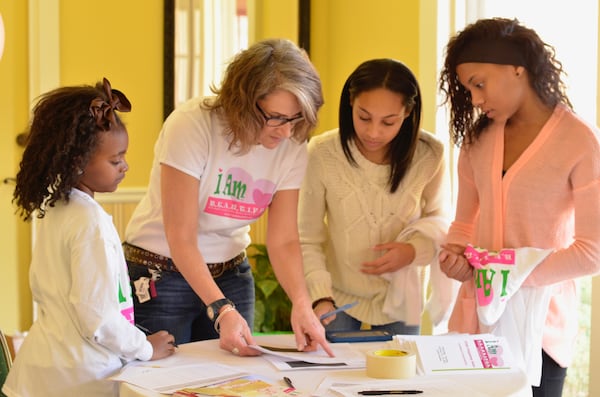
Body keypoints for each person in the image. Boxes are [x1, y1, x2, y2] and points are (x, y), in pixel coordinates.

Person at [123, 38, 333, 357]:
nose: (286, 132)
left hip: (232, 272)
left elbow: (285, 240)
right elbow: (180, 234)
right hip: (160, 275)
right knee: (164, 379)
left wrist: (302, 304)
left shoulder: (291, 145)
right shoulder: (193, 126)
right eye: (275, 117)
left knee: (233, 378)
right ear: (243, 102)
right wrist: (221, 308)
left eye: (295, 119)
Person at [438, 17, 600, 397]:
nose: (475, 99)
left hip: (540, 331)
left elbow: (593, 251)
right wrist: (456, 258)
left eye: (479, 84)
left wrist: (504, 276)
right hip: (474, 326)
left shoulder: (579, 142)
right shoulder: (477, 141)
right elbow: (463, 226)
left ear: (517, 68)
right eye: (467, 89)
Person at [3, 78, 176, 397]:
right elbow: (96, 316)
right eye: (115, 160)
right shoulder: (88, 222)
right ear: (76, 162)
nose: (125, 166)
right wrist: (145, 347)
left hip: (47, 369)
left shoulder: (58, 207)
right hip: (77, 380)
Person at [299, 58, 453, 336]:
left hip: (402, 297)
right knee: (333, 377)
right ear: (350, 103)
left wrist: (413, 252)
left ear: (407, 113)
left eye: (388, 122)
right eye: (364, 117)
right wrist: (320, 296)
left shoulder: (430, 154)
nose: (373, 132)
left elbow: (441, 220)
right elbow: (307, 236)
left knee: (399, 378)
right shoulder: (322, 152)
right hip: (337, 298)